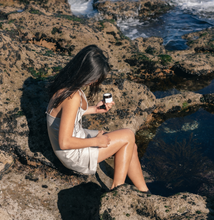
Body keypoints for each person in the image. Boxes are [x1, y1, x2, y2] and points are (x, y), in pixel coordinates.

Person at [46, 45, 150, 192]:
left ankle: (143, 190)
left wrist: (95, 109)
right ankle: (117, 190)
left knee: (130, 145)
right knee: (128, 135)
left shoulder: (66, 85)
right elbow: (64, 142)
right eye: (95, 77)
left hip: (76, 138)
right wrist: (96, 141)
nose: (95, 82)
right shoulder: (72, 96)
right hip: (72, 154)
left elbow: (67, 115)